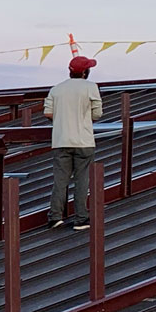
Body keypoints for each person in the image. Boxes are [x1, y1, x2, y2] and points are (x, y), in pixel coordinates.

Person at [45, 56, 103, 230]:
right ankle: (81, 218)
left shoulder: (56, 89)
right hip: (83, 140)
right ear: (85, 72)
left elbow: (48, 113)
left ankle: (55, 217)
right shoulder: (91, 87)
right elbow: (97, 114)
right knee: (82, 180)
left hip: (61, 140)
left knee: (60, 180)